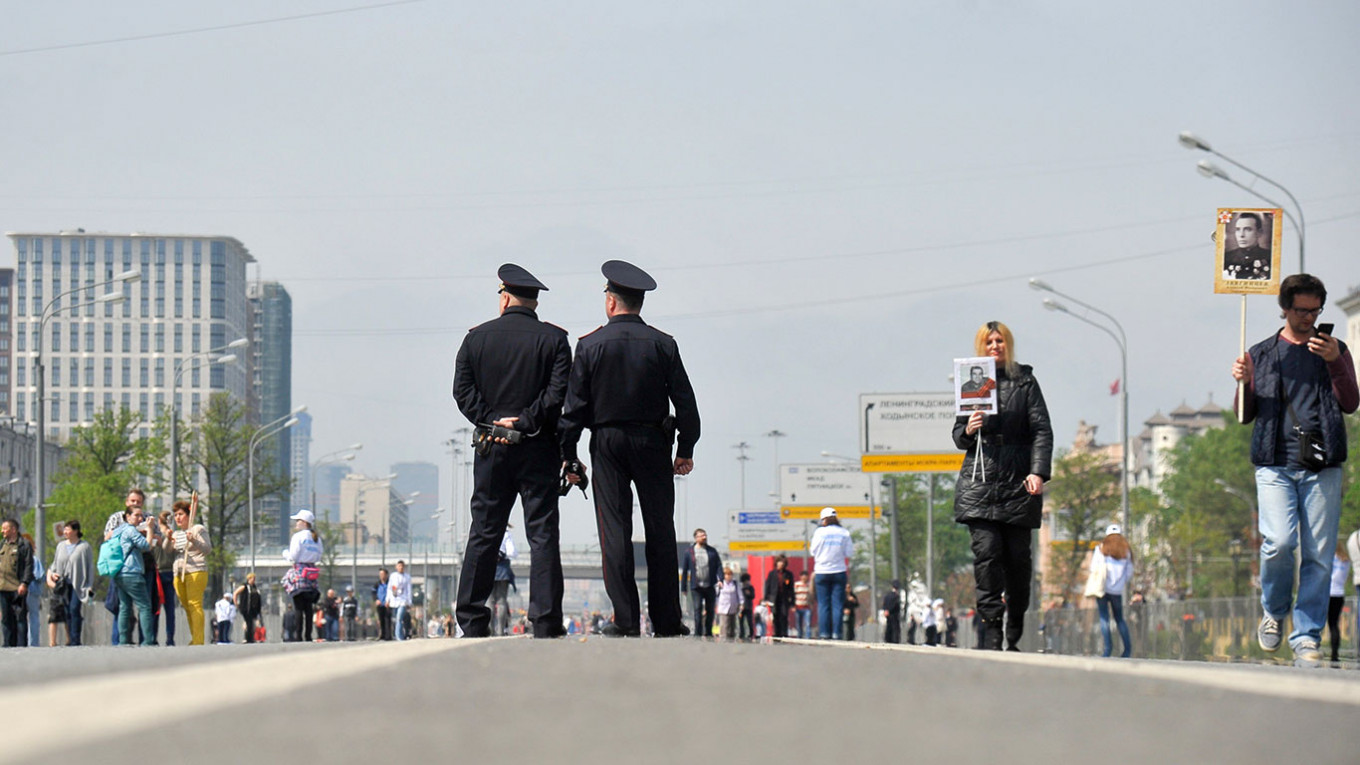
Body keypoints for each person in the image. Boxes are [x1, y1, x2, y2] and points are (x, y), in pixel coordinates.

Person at [558, 260, 700, 638]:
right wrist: (685, 448)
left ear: (610, 301)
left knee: (615, 530)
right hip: (654, 442)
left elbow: (574, 409)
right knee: (660, 529)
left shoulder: (589, 345)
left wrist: (569, 455)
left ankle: (624, 619)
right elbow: (686, 403)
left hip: (607, 443)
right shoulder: (663, 344)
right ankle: (667, 621)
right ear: (640, 303)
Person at [1231, 274, 1358, 666]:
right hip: (1275, 463)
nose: (1308, 318)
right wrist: (1243, 384)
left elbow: (1350, 402)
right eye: (1301, 310)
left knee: (1319, 555)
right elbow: (1244, 415)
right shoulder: (1260, 353)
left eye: (1315, 311)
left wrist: (1335, 362)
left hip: (1323, 464)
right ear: (1285, 308)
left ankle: (1306, 636)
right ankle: (1274, 610)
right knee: (1280, 543)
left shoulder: (1335, 350)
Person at [452, 264, 570, 640]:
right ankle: (546, 619)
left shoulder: (476, 339)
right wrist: (523, 422)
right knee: (542, 533)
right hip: (538, 447)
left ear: (504, 298)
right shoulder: (555, 340)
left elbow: (462, 390)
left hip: (491, 449)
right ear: (535, 302)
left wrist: (493, 422)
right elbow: (557, 394)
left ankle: (472, 619)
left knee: (484, 532)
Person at [953, 321, 1053, 651]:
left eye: (1000, 340)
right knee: (987, 555)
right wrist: (969, 429)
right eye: (989, 341)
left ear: (1008, 344)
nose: (995, 346)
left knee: (1018, 560)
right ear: (981, 346)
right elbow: (958, 436)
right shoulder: (972, 383)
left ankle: (1015, 623)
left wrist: (1038, 472)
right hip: (980, 480)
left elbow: (1041, 430)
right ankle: (992, 628)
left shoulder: (1025, 381)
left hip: (1017, 481)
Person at [169, 496, 211, 646]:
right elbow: (168, 551)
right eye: (176, 515)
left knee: (194, 604)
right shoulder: (176, 534)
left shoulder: (197, 529)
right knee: (186, 606)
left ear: (188, 515)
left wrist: (193, 540)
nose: (178, 518)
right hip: (179, 572)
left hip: (196, 570)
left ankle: (198, 640)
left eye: (181, 514)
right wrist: (168, 539)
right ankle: (194, 636)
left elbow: (207, 549)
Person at [112, 504, 155, 646]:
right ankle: (148, 641)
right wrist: (150, 529)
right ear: (127, 517)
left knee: (125, 607)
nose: (140, 518)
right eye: (136, 515)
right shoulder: (131, 530)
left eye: (141, 515)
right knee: (144, 606)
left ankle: (123, 640)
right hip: (132, 571)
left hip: (119, 572)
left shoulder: (118, 530)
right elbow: (147, 546)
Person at [1089, 524, 1133, 658]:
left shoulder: (1101, 548)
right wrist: (1121, 582)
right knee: (1119, 619)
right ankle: (1127, 650)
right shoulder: (1126, 551)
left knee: (1104, 618)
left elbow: (1093, 568)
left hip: (1102, 588)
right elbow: (1129, 571)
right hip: (1117, 591)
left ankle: (1108, 649)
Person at [809, 508, 854, 640]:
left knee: (823, 604)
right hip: (839, 571)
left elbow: (812, 551)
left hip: (822, 571)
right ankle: (836, 633)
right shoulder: (844, 533)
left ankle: (824, 633)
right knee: (837, 604)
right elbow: (849, 553)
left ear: (824, 520)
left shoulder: (819, 532)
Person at [283, 509, 324, 644]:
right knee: (308, 607)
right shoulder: (316, 538)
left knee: (298, 606)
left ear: (304, 522)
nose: (296, 523)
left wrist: (285, 554)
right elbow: (319, 556)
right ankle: (308, 635)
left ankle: (298, 635)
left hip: (300, 571)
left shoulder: (298, 537)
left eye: (298, 521)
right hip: (311, 572)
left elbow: (293, 556)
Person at [49, 520, 92, 646]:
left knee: (74, 609)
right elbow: (55, 563)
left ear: (76, 531)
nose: (65, 532)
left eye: (68, 529)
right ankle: (71, 639)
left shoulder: (84, 546)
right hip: (63, 585)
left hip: (79, 584)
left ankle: (75, 639)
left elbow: (89, 566)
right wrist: (53, 574)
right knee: (66, 611)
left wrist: (89, 585)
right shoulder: (61, 546)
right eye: (65, 529)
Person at [681, 528, 722, 639]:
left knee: (710, 610)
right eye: (701, 536)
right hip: (696, 586)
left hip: (710, 585)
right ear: (696, 538)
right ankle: (698, 632)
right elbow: (685, 570)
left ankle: (708, 632)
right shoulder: (689, 552)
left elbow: (718, 566)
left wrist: (720, 579)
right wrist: (683, 587)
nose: (704, 537)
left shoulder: (712, 551)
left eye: (705, 535)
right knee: (697, 609)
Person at [0, 519, 34, 647]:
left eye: (5, 528)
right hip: (3, 588)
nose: (2, 531)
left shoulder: (24, 544)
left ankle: (21, 646)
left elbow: (28, 565)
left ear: (13, 529)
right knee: (6, 619)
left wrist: (24, 583)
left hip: (17, 588)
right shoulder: (2, 544)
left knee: (20, 618)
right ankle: (8, 645)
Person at [1222, 212, 1272, 281]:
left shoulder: (1270, 256)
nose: (1241, 235)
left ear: (1259, 232)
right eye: (1238, 229)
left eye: (1247, 229)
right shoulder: (1226, 257)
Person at [153, 511, 177, 646]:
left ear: (158, 521)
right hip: (170, 572)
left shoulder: (154, 536)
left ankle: (153, 637)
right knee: (170, 609)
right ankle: (170, 638)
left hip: (157, 572)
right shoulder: (173, 536)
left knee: (156, 608)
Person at [490, 527, 517, 637]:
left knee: (489, 601)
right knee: (501, 602)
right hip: (502, 571)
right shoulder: (506, 534)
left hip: (489, 570)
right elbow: (512, 552)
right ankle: (500, 630)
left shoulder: (487, 531)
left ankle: (490, 630)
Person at [763, 555, 795, 638]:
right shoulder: (772, 574)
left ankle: (784, 634)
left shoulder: (788, 574)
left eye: (783, 562)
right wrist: (766, 598)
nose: (781, 564)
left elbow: (791, 589)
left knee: (784, 615)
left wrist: (792, 602)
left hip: (784, 598)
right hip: (774, 598)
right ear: (776, 563)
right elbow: (767, 586)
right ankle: (777, 634)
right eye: (779, 562)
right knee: (775, 615)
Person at [1328, 541, 1349, 663]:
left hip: (1328, 592)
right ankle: (1334, 653)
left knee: (1320, 621)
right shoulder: (1345, 560)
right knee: (1334, 624)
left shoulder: (1330, 559)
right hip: (1339, 593)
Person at [715, 567, 743, 642]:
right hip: (723, 608)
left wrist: (741, 603)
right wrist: (716, 605)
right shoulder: (720, 583)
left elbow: (739, 594)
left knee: (732, 627)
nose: (729, 576)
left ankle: (731, 641)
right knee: (724, 626)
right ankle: (723, 640)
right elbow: (716, 595)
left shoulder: (735, 584)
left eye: (730, 574)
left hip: (733, 608)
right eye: (727, 574)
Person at [234, 573, 263, 644]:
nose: (254, 580)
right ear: (249, 579)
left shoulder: (255, 588)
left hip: (254, 609)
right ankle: (247, 638)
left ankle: (251, 638)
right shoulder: (244, 586)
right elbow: (235, 593)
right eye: (253, 578)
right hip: (246, 609)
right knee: (248, 623)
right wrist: (236, 604)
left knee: (252, 624)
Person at [387, 560, 411, 641]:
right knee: (395, 619)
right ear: (396, 567)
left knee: (399, 618)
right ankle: (398, 633)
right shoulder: (393, 576)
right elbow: (389, 588)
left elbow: (409, 590)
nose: (401, 568)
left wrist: (409, 601)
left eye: (402, 566)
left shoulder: (407, 577)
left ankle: (399, 636)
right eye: (399, 566)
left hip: (403, 600)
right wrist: (387, 600)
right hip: (394, 600)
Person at [373, 568, 392, 641]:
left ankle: (388, 635)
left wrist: (389, 601)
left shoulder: (390, 583)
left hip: (387, 604)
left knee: (387, 619)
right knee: (381, 620)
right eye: (380, 574)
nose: (382, 576)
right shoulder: (377, 584)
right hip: (380, 604)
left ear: (386, 575)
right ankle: (382, 635)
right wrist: (376, 600)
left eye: (383, 574)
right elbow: (373, 593)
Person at [881, 580, 902, 644]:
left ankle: (887, 639)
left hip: (888, 614)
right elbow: (895, 605)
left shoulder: (887, 595)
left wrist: (886, 610)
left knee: (888, 627)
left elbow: (884, 604)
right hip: (894, 614)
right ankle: (894, 640)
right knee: (895, 628)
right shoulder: (896, 596)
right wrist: (889, 610)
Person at [793, 571, 811, 638]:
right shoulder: (796, 585)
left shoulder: (809, 585)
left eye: (805, 577)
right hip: (798, 607)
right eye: (803, 577)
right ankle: (799, 636)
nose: (804, 578)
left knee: (808, 623)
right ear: (800, 577)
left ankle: (808, 637)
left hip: (807, 607)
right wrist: (793, 606)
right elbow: (793, 595)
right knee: (798, 623)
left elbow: (811, 595)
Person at [738, 572, 756, 641]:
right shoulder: (740, 588)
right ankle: (741, 634)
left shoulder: (750, 588)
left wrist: (749, 593)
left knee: (750, 621)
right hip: (741, 608)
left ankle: (751, 634)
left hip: (748, 607)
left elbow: (753, 596)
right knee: (741, 622)